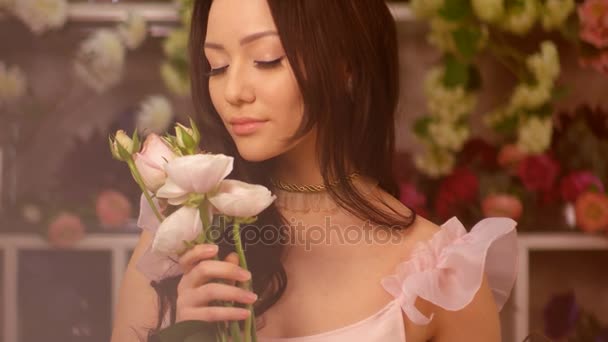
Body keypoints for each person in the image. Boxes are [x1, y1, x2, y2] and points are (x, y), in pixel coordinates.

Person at [110, 0, 518, 341]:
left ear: (347, 65)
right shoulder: (181, 232)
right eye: (216, 65)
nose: (233, 91)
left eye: (267, 60)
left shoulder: (442, 275)